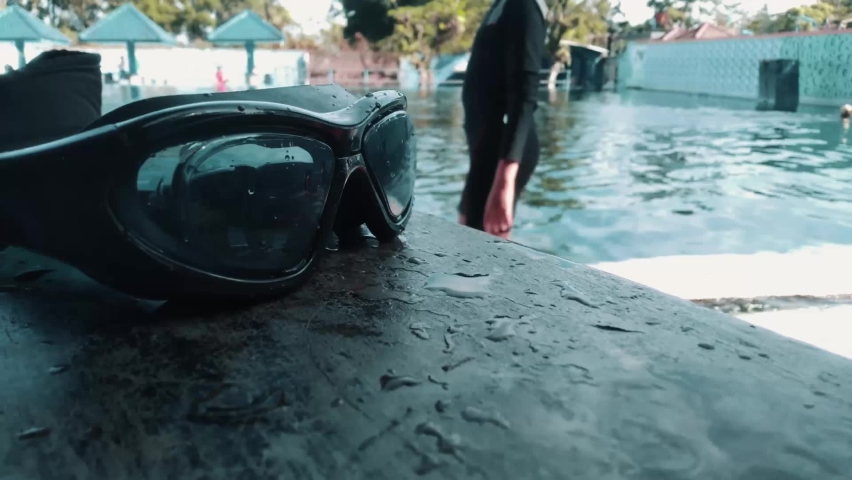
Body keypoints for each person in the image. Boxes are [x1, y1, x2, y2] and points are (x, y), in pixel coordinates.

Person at [458, 0, 547, 238]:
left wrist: (505, 181)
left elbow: (524, 97)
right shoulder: (502, 5)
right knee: (468, 232)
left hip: (505, 150)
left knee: (486, 247)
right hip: (484, 148)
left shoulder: (524, 6)